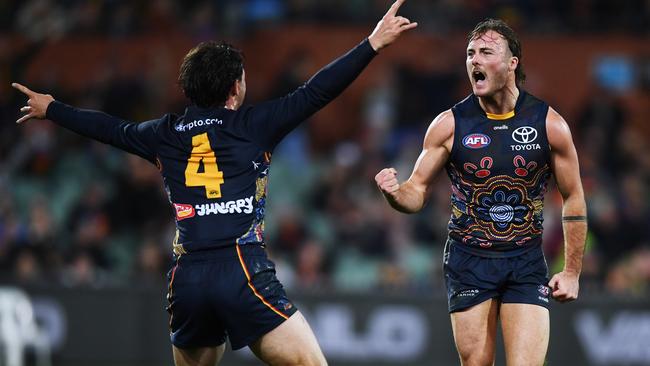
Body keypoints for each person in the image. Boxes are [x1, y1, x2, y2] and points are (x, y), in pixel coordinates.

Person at [12, 1, 417, 365]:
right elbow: (317, 91)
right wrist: (372, 44)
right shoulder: (255, 125)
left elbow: (110, 128)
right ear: (235, 87)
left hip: (187, 276)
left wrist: (53, 109)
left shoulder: (163, 133)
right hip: (241, 268)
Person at [375, 18, 586, 366]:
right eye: (470, 53)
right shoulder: (449, 125)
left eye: (486, 52)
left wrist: (573, 271)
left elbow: (574, 197)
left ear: (512, 63)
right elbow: (416, 191)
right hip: (468, 261)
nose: (474, 59)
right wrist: (395, 194)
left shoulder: (550, 125)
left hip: (525, 260)